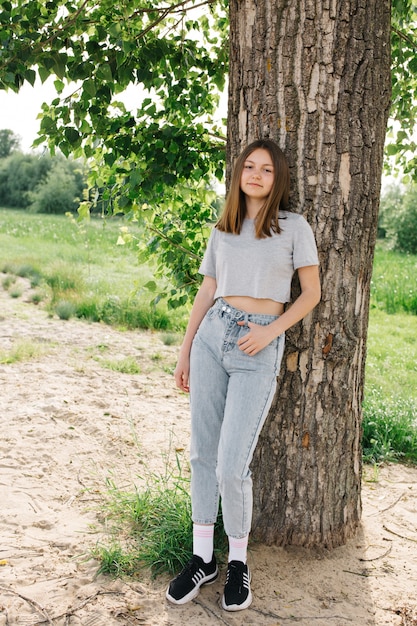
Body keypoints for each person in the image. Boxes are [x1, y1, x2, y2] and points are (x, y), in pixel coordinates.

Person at [166, 138, 321, 611]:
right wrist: (186, 349)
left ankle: (237, 562)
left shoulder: (295, 228)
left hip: (258, 345)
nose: (255, 175)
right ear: (238, 174)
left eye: (267, 170)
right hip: (214, 336)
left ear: (279, 180)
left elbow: (310, 293)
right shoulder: (224, 228)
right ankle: (201, 558)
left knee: (233, 465)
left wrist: (270, 331)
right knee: (201, 454)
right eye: (248, 167)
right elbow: (208, 289)